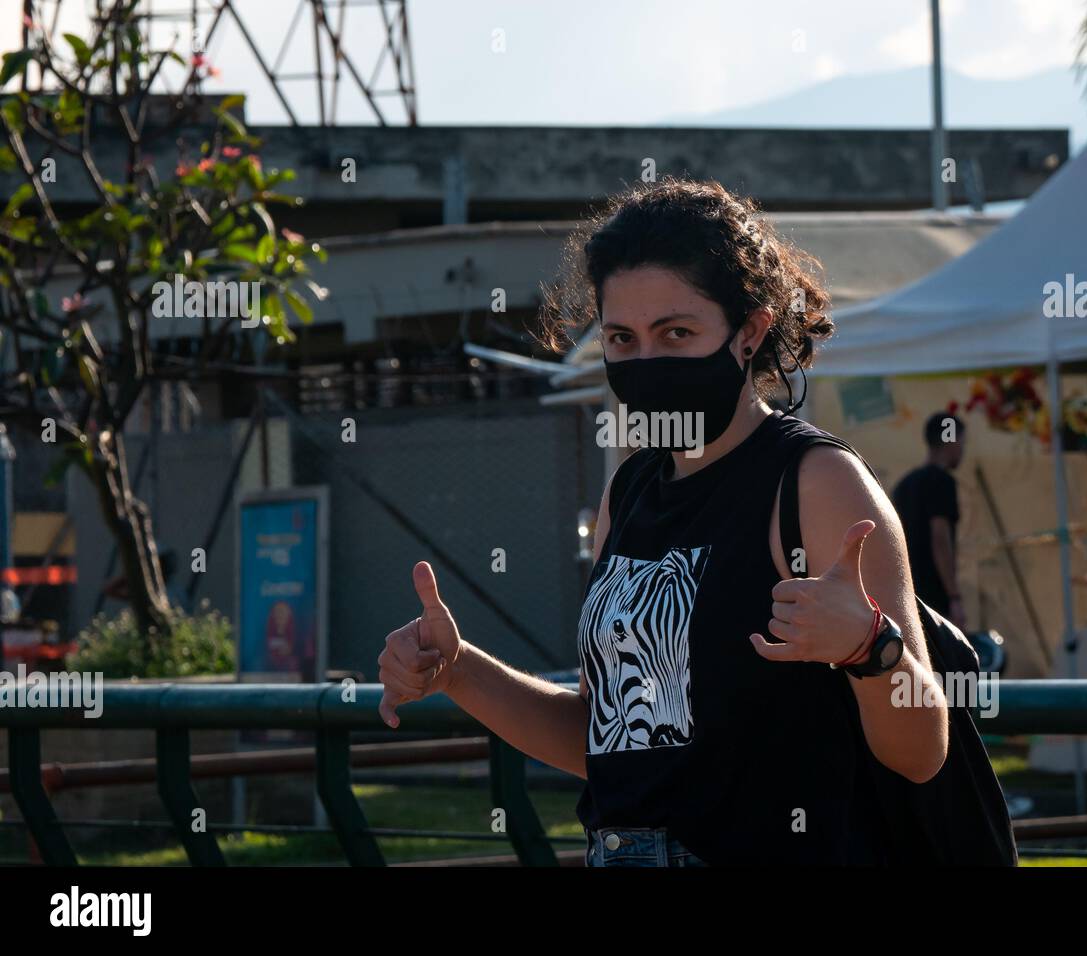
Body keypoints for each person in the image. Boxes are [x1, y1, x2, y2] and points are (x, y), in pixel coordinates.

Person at [376, 177, 950, 866]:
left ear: (751, 331)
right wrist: (458, 670)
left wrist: (869, 648)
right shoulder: (634, 489)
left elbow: (923, 751)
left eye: (676, 333)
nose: (646, 363)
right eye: (622, 338)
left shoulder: (814, 483)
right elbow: (610, 741)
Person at [891, 413, 966, 628]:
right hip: (934, 596)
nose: (962, 450)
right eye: (961, 442)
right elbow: (940, 538)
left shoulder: (904, 484)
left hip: (905, 591)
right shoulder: (942, 481)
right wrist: (954, 596)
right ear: (950, 440)